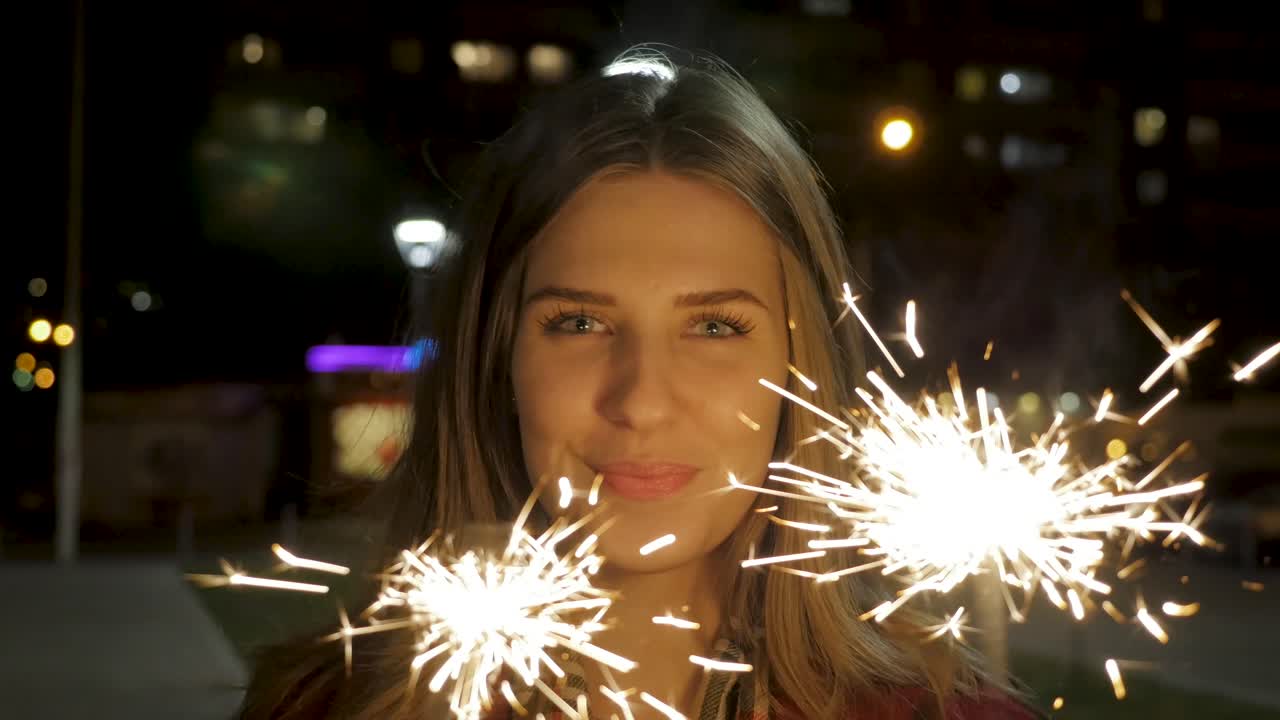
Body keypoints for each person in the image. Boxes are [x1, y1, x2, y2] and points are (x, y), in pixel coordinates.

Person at [240, 48, 1040, 720]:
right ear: (496, 356)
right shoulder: (315, 709)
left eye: (716, 327)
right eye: (579, 324)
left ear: (803, 369)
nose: (643, 401)